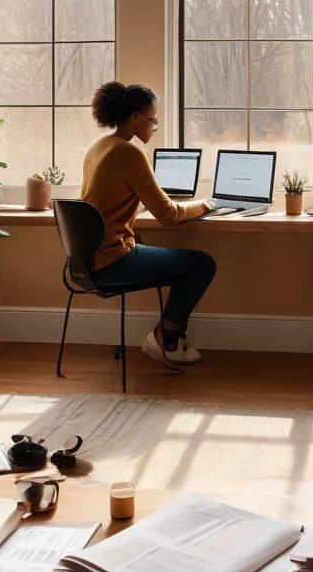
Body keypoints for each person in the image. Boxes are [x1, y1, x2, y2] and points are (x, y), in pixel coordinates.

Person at [80, 81, 215, 366]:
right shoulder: (129, 152)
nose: (155, 126)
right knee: (202, 264)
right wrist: (208, 204)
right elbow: (168, 214)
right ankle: (166, 339)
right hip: (112, 261)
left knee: (171, 257)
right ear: (135, 117)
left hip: (87, 260)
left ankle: (168, 338)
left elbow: (110, 197)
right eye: (153, 120)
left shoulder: (99, 146)